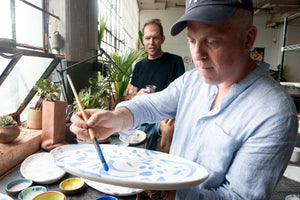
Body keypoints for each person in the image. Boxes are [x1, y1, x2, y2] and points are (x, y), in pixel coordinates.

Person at [70, 0, 298, 199]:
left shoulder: (273, 113)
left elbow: (237, 197)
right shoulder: (192, 81)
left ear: (248, 39)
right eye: (192, 40)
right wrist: (116, 118)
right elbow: (152, 104)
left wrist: (166, 193)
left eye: (212, 41)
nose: (197, 55)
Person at [130, 19, 185, 153]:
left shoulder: (175, 61)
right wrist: (137, 95)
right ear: (143, 40)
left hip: (164, 115)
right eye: (148, 38)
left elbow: (183, 95)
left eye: (155, 38)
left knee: (168, 127)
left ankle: (166, 165)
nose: (151, 42)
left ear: (162, 39)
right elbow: (132, 95)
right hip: (143, 113)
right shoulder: (139, 66)